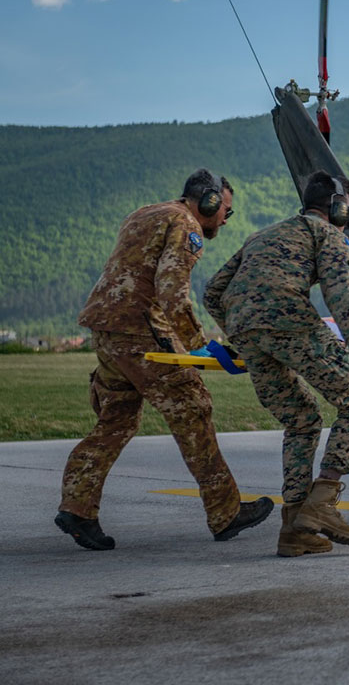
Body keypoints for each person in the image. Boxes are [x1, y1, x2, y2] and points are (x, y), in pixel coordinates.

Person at [56, 169, 274, 551]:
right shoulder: (185, 225)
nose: (225, 219)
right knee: (194, 409)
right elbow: (172, 290)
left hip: (106, 329)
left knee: (116, 421)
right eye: (225, 210)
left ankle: (77, 507)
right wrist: (199, 345)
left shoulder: (145, 212)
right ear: (207, 201)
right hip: (141, 332)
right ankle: (225, 512)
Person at [203, 171, 349, 558]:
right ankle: (322, 504)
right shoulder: (330, 235)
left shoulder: (262, 235)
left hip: (246, 330)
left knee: (302, 419)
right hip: (290, 320)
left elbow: (214, 290)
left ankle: (293, 529)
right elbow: (340, 292)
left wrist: (242, 332)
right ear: (338, 208)